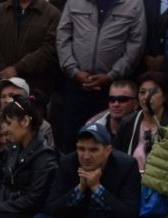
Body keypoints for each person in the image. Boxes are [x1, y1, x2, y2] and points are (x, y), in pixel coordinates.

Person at [31, 120, 145, 218]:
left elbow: (129, 213)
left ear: (107, 151)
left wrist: (97, 188)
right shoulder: (67, 163)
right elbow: (51, 208)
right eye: (81, 149)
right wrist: (79, 189)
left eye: (93, 150)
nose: (86, 156)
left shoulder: (126, 165)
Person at [56, 0, 145, 150]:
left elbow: (136, 44)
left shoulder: (133, 3)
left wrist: (112, 75)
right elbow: (63, 36)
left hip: (112, 89)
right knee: (72, 139)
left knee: (107, 141)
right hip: (77, 84)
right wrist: (74, 71)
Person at [0, 0, 60, 113]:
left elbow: (50, 49)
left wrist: (17, 69)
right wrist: (1, 68)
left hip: (35, 91)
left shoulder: (52, 14)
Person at [115, 72, 168, 171]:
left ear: (165, 96)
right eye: (142, 92)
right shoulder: (128, 122)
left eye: (153, 92)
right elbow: (118, 158)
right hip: (133, 182)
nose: (146, 97)